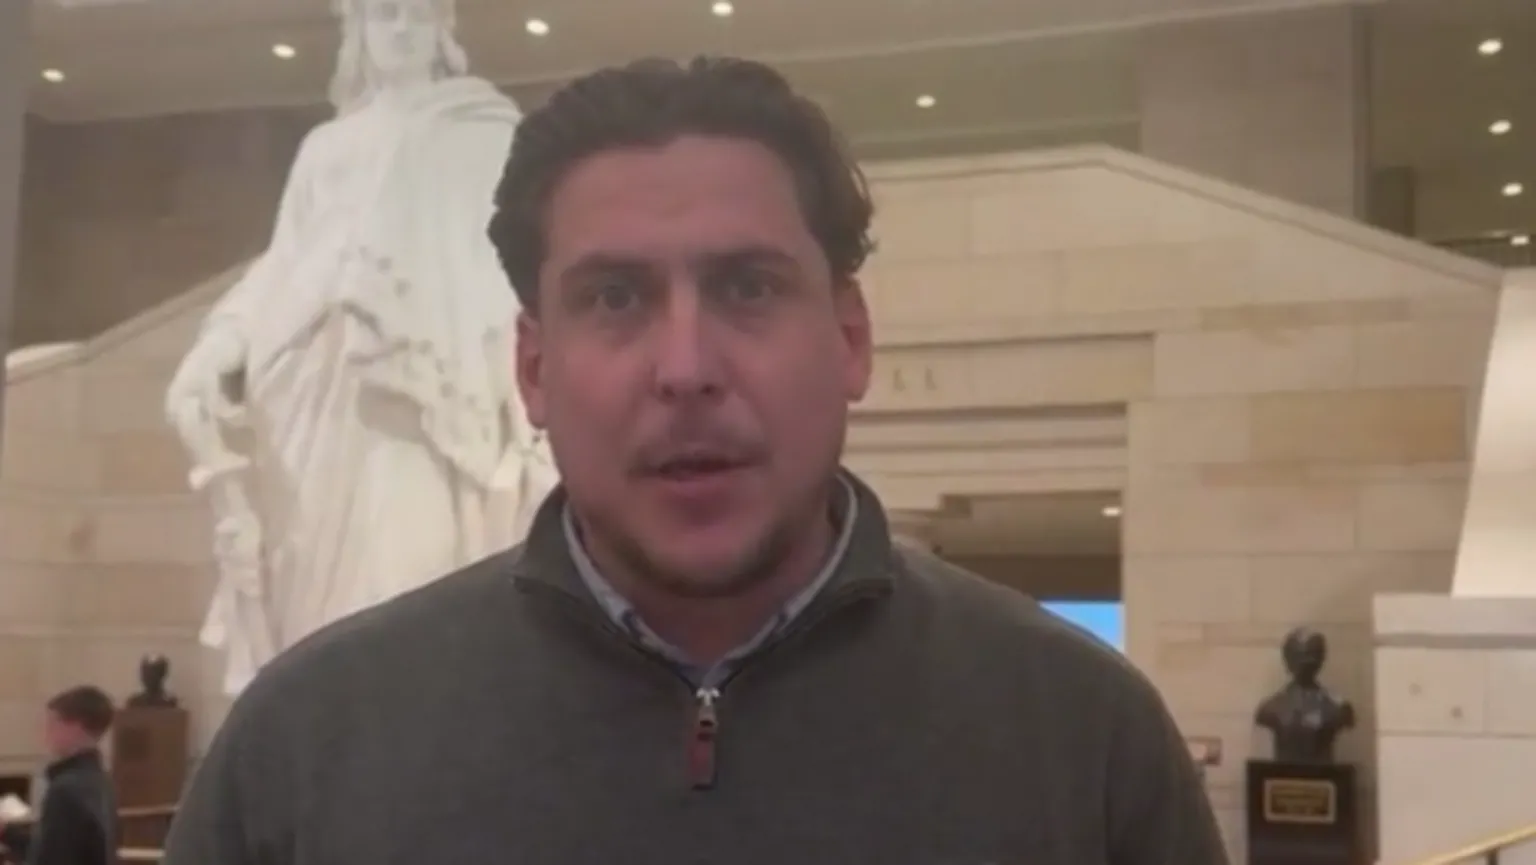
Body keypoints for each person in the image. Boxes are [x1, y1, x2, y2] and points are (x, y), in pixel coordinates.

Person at [162, 57, 1229, 865]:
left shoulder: (1083, 736)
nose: (685, 367)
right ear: (533, 368)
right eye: (616, 298)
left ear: (850, 339)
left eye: (748, 288)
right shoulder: (303, 748)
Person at [162, 0, 553, 698]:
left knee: (413, 564)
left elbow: (509, 265)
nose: (399, 30)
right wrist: (221, 339)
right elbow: (284, 262)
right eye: (382, 15)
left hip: (425, 389)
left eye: (414, 14)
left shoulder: (483, 132)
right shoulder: (326, 147)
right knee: (315, 589)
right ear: (358, 34)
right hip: (312, 387)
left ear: (442, 29)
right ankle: (322, 736)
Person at [0, 687, 118, 865]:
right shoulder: (100, 781)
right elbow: (58, 846)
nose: (45, 731)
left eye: (52, 723)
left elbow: (50, 859)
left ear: (75, 727)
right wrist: (6, 832)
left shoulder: (65, 790)